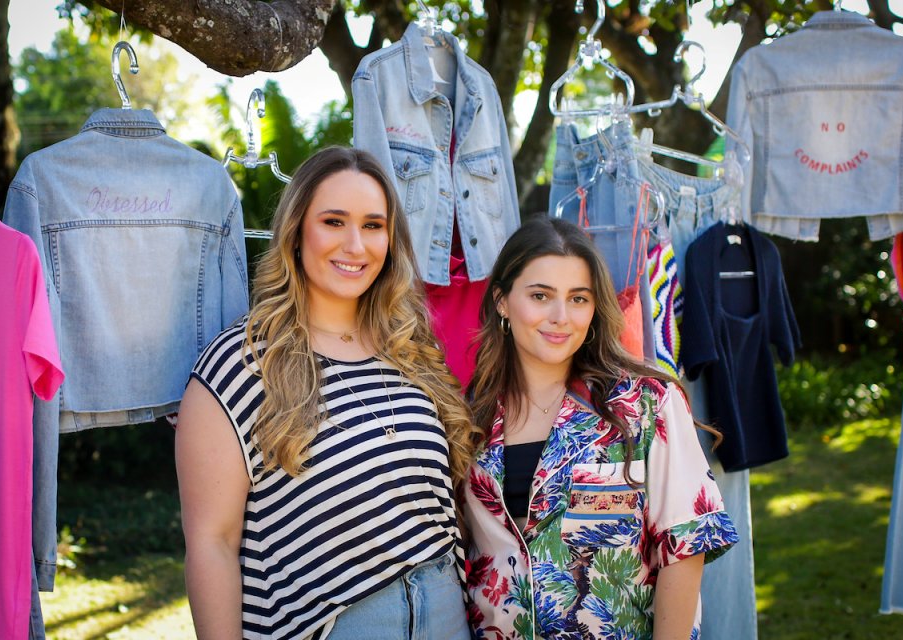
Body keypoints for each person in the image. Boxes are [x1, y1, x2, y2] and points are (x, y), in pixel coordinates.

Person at [176, 147, 480, 640]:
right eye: (334, 222)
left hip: (446, 612)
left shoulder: (410, 351)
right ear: (297, 232)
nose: (356, 245)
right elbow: (213, 541)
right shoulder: (240, 363)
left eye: (374, 225)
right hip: (331, 624)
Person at [463, 216, 739, 639]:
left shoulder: (645, 404)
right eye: (540, 295)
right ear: (502, 301)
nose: (560, 316)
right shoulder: (470, 419)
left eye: (578, 299)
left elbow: (686, 546)